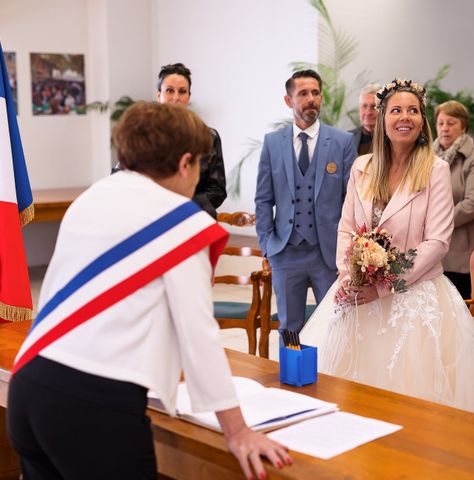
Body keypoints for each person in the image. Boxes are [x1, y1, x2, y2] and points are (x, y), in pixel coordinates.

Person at [7, 102, 291, 479]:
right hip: (93, 404)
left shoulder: (92, 197)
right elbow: (199, 335)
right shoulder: (180, 223)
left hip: (28, 383)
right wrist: (237, 431)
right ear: (185, 163)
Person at [300, 79, 474, 420]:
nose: (404, 117)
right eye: (396, 110)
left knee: (410, 405)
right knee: (343, 397)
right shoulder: (362, 167)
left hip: (413, 295)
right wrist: (349, 276)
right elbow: (346, 227)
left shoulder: (435, 170)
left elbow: (437, 241)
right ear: (382, 118)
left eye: (413, 110)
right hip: (355, 291)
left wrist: (381, 287)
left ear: (422, 121)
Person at [255, 69, 357, 335]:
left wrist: (348, 250)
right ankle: (291, 377)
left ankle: (330, 378)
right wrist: (267, 245)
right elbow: (263, 199)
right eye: (303, 93)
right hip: (285, 252)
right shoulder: (272, 143)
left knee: (335, 327)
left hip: (328, 254)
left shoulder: (343, 142)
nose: (311, 98)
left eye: (315, 93)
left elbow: (352, 200)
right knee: (289, 327)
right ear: (289, 101)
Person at [112, 63, 227, 219]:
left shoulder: (207, 136)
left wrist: (178, 207)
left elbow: (217, 190)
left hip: (193, 219)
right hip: (147, 219)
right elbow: (119, 176)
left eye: (182, 92)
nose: (176, 98)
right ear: (159, 95)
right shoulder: (141, 134)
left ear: (189, 97)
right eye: (169, 91)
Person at [433, 100, 474, 299]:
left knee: (459, 319)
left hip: (459, 253)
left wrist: (437, 222)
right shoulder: (424, 158)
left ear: (463, 126)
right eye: (441, 123)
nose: (445, 129)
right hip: (430, 251)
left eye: (451, 123)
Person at [350, 83, 381, 155]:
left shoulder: (392, 138)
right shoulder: (348, 137)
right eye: (364, 106)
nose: (368, 112)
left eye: (373, 107)